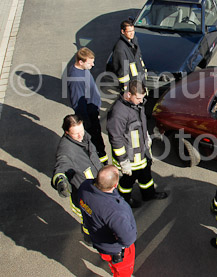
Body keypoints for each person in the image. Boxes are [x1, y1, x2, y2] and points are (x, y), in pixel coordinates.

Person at [106, 79, 167, 207]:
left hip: (141, 151)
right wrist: (123, 161)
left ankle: (148, 194)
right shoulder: (118, 113)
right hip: (130, 156)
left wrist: (146, 137)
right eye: (138, 98)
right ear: (128, 95)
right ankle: (124, 200)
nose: (141, 101)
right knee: (128, 181)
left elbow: (140, 123)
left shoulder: (136, 104)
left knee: (146, 176)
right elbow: (116, 138)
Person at [52, 114, 103, 244]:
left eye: (81, 131)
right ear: (66, 132)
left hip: (95, 189)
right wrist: (60, 181)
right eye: (76, 134)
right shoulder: (66, 150)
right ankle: (90, 240)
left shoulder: (83, 137)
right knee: (89, 222)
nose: (80, 136)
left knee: (96, 219)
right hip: (85, 195)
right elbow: (60, 167)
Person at [78, 165, 137, 277]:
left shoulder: (84, 187)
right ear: (115, 185)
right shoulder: (115, 211)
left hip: (99, 240)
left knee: (111, 263)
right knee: (123, 271)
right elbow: (128, 239)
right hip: (116, 250)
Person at [66, 47, 107, 163]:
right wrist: (86, 122)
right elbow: (78, 104)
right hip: (89, 116)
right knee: (95, 141)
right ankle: (101, 163)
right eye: (90, 63)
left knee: (97, 140)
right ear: (80, 62)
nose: (93, 65)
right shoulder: (75, 79)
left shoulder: (82, 69)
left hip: (92, 111)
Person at [111, 20, 147, 91]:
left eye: (133, 30)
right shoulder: (120, 48)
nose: (132, 33)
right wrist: (126, 88)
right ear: (122, 32)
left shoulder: (134, 41)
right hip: (131, 85)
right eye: (129, 31)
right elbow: (122, 71)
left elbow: (139, 58)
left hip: (139, 80)